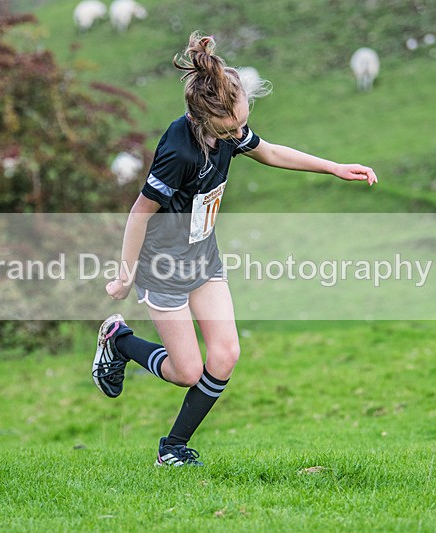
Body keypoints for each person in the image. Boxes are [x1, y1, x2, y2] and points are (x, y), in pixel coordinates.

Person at [92, 31, 378, 467]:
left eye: (242, 124)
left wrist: (334, 168)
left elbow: (270, 152)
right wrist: (125, 273)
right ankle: (119, 341)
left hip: (203, 256)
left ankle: (172, 449)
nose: (240, 134)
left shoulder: (228, 128)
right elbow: (139, 212)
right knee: (186, 371)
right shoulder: (178, 151)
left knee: (225, 355)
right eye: (232, 129)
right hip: (163, 266)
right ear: (204, 121)